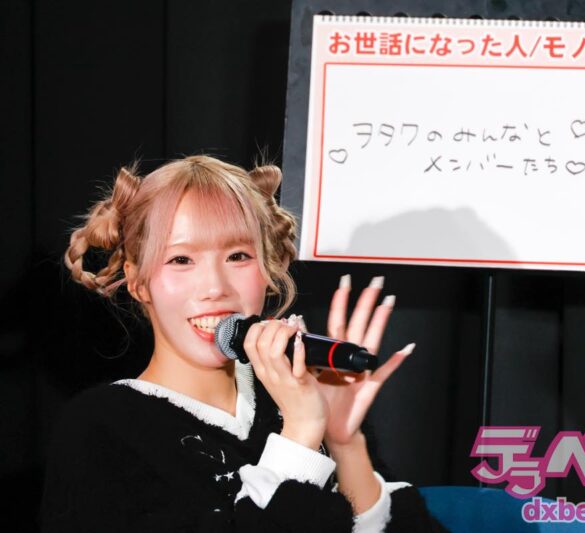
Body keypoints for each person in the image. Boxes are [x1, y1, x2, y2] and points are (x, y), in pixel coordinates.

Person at [40, 155, 446, 532]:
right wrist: (301, 433)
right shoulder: (101, 428)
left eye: (237, 256)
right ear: (138, 281)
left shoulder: (300, 391)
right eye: (181, 260)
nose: (215, 287)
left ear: (268, 268)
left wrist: (344, 444)